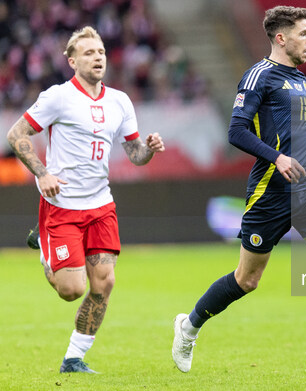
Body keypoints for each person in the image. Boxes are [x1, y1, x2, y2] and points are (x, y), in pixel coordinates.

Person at [171, 6, 306, 384]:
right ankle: (189, 327)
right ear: (281, 37)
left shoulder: (299, 79)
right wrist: (279, 158)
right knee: (247, 279)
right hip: (270, 191)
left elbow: (293, 132)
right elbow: (236, 131)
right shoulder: (260, 76)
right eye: (304, 33)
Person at [6, 26, 165, 374]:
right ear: (72, 59)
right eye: (89, 52)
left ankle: (73, 358)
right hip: (62, 206)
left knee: (105, 282)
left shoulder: (119, 101)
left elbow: (134, 153)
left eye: (102, 52)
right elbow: (16, 134)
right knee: (71, 289)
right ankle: (44, 246)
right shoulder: (57, 97)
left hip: (100, 205)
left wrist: (149, 150)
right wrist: (42, 173)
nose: (98, 58)